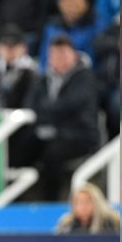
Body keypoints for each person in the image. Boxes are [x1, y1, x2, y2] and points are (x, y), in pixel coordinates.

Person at [17, 34, 100, 200]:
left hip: (79, 134)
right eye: (54, 54)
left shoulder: (85, 77)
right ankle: (17, 199)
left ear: (74, 54)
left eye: (63, 53)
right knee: (21, 145)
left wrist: (47, 113)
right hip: (49, 132)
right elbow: (30, 106)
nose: (58, 58)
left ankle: (51, 200)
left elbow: (72, 104)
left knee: (52, 152)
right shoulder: (43, 80)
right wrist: (49, 115)